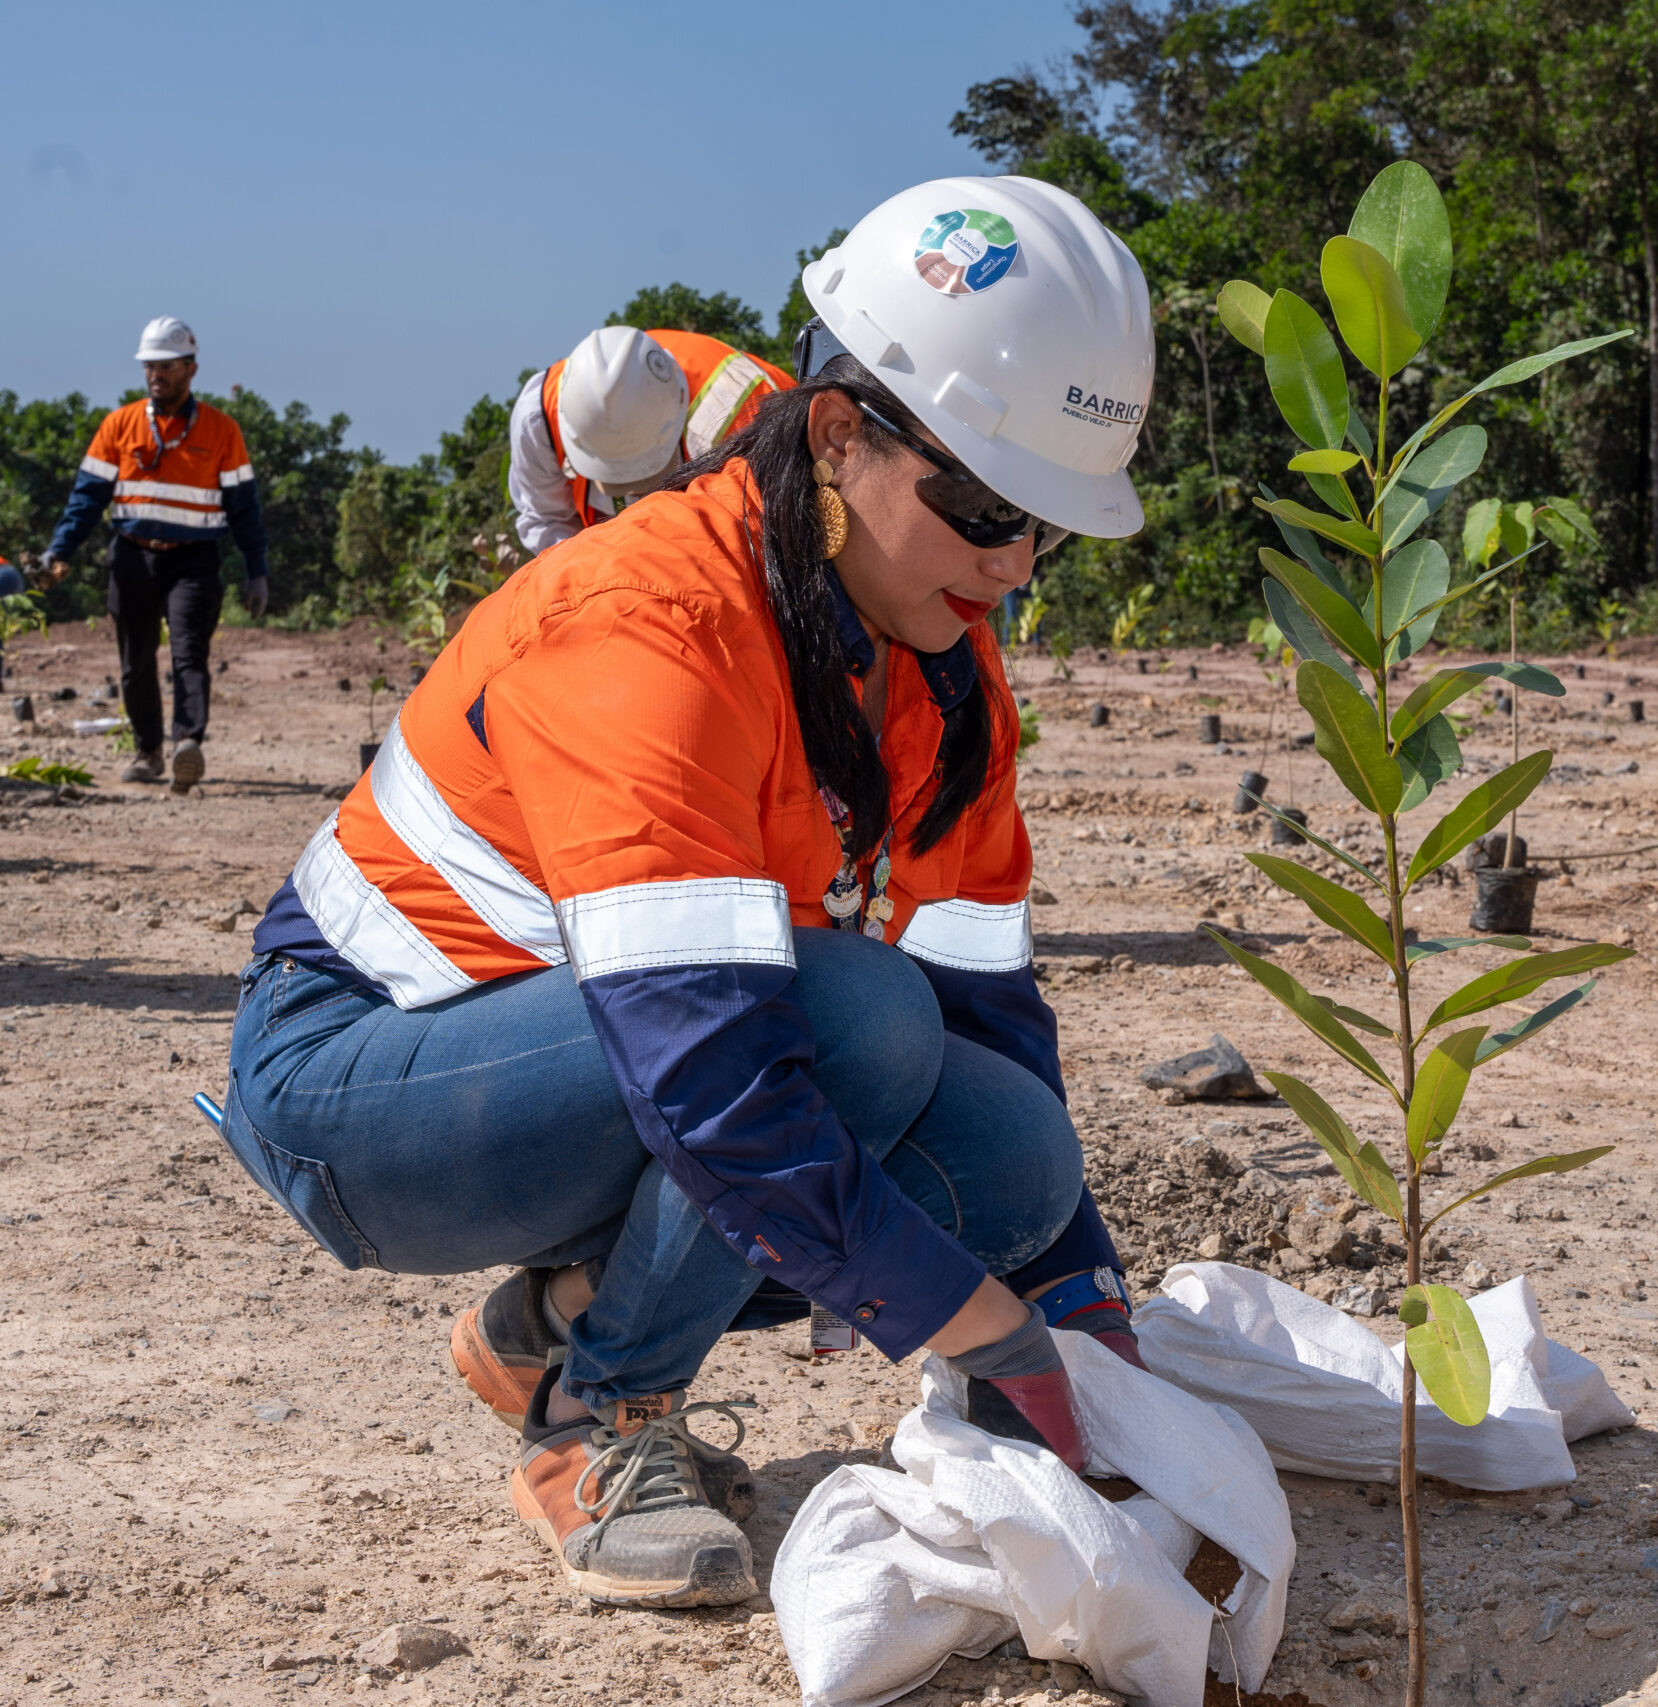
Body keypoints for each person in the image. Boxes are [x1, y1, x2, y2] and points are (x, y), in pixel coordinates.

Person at [221, 176, 1156, 1608]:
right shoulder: (649, 616)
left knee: (1016, 1161)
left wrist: (1086, 1314)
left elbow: (994, 1015)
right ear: (839, 433)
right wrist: (984, 1331)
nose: (1014, 562)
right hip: (364, 1079)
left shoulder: (939, 669)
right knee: (854, 1019)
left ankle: (561, 1314)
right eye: (981, 507)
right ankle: (601, 1414)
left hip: (605, 1061)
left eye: (1048, 528)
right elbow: (719, 1071)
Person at [41, 317, 269, 792]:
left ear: (190, 368)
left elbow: (244, 509)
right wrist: (58, 550)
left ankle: (188, 741)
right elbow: (86, 498)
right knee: (135, 660)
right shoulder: (119, 425)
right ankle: (148, 752)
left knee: (190, 654)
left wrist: (256, 570)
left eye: (166, 366)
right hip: (131, 557)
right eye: (149, 367)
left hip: (193, 561)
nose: (155, 375)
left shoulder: (222, 431)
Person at [507, 325, 791, 555]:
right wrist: (592, 567)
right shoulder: (539, 420)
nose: (631, 496)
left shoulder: (742, 411)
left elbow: (783, 533)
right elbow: (546, 520)